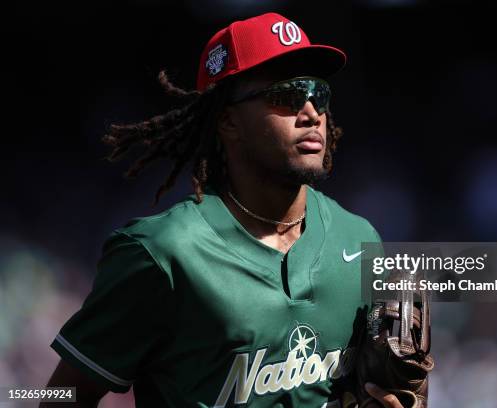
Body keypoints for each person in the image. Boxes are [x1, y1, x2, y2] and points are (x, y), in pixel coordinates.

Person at [42, 12, 410, 408]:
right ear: (228, 121)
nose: (310, 113)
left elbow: (378, 388)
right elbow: (60, 396)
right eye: (286, 95)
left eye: (317, 92)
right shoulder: (161, 254)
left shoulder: (358, 238)